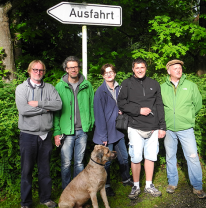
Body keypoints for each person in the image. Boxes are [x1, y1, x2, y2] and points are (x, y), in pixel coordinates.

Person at [15, 60, 62, 208]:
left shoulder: (49, 88)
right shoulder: (21, 88)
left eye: (41, 70)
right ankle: (25, 203)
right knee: (27, 170)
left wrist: (38, 104)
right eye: (35, 70)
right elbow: (23, 109)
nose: (38, 72)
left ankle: (45, 198)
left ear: (44, 72)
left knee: (45, 170)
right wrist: (46, 108)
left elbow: (58, 105)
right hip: (28, 135)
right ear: (29, 71)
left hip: (45, 136)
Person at [117, 58, 166, 199]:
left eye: (142, 67)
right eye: (137, 67)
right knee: (136, 157)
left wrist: (162, 126)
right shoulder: (126, 84)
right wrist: (138, 110)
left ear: (146, 68)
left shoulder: (154, 84)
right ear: (133, 69)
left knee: (150, 156)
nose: (140, 70)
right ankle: (136, 186)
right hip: (135, 126)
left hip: (153, 127)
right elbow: (121, 104)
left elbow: (159, 106)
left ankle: (149, 185)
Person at [161, 59, 206, 198]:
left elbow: (198, 104)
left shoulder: (190, 85)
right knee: (170, 157)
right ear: (169, 71)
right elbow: (158, 106)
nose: (178, 70)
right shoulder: (162, 87)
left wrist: (189, 116)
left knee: (192, 156)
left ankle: (197, 186)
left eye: (180, 68)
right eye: (175, 68)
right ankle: (172, 183)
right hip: (168, 128)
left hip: (186, 128)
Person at [54, 56, 94, 190]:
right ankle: (66, 190)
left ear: (78, 68)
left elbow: (92, 106)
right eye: (71, 67)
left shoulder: (86, 84)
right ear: (66, 69)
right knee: (66, 163)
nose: (74, 69)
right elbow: (56, 112)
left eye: (76, 67)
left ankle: (79, 190)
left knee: (79, 163)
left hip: (82, 130)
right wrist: (57, 132)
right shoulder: (60, 86)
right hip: (67, 132)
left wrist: (91, 122)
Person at [93, 63, 133, 197]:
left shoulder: (120, 88)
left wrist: (123, 110)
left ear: (115, 73)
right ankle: (107, 185)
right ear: (103, 75)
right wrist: (103, 136)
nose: (109, 74)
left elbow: (126, 104)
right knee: (106, 162)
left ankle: (126, 179)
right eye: (106, 72)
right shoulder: (100, 92)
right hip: (105, 133)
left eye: (111, 72)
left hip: (118, 130)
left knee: (124, 157)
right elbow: (99, 115)